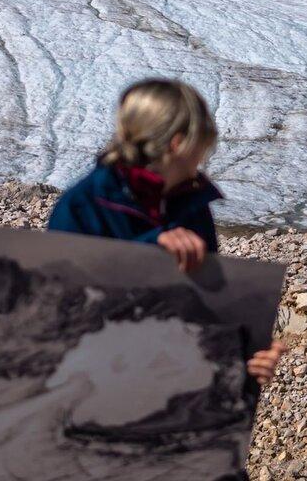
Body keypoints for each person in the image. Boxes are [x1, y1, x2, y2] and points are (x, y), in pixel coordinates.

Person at [49, 78, 283, 385]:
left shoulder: (192, 206)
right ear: (178, 142)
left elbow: (203, 311)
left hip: (165, 396)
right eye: (203, 142)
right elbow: (59, 311)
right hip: (89, 393)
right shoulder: (82, 206)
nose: (204, 156)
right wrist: (150, 251)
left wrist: (243, 360)